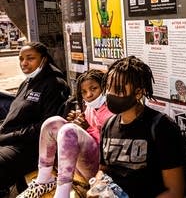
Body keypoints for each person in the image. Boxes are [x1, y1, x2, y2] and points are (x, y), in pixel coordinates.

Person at [94, 55, 186, 198]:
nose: (110, 94)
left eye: (118, 89)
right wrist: (97, 188)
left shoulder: (162, 127)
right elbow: (103, 170)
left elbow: (175, 191)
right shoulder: (108, 125)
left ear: (138, 93)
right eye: (108, 87)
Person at [16, 69, 113, 198]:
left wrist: (82, 129)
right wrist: (77, 123)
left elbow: (110, 147)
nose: (89, 94)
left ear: (104, 87)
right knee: (52, 122)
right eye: (83, 92)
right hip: (79, 165)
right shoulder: (89, 107)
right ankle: (44, 180)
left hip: (99, 168)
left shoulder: (111, 110)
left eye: (93, 88)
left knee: (69, 130)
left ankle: (62, 194)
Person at [0, 42, 70, 197]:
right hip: (10, 140)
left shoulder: (55, 85)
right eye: (21, 59)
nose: (24, 63)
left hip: (30, 148)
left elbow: (46, 128)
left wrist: (8, 135)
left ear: (44, 59)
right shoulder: (27, 83)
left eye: (30, 58)